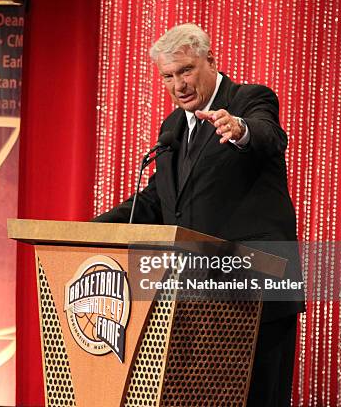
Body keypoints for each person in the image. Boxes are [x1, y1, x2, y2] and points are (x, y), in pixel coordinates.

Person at [93, 23, 304, 407]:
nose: (179, 85)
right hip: (197, 295)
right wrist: (88, 231)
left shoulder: (249, 99)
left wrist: (239, 130)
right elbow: (158, 201)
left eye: (186, 70)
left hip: (256, 287)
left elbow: (268, 135)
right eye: (168, 76)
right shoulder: (174, 127)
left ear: (210, 59)